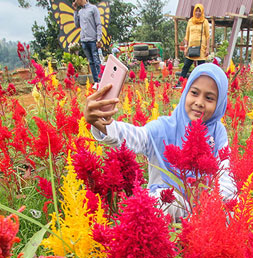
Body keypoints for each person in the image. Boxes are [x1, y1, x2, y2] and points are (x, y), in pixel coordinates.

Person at [83, 63, 235, 220]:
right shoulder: (164, 128)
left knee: (233, 206)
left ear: (219, 104)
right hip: (167, 216)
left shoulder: (217, 132)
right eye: (194, 93)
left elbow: (225, 174)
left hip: (204, 214)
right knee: (166, 202)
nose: (200, 102)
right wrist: (103, 125)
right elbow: (136, 136)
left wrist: (215, 206)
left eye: (209, 98)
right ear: (185, 93)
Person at [180, 4, 211, 81]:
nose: (197, 13)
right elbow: (187, 35)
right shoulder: (190, 21)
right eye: (196, 11)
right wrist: (186, 47)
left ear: (202, 12)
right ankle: (180, 82)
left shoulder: (205, 22)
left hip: (201, 48)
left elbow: (207, 36)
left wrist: (207, 48)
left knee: (201, 68)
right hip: (191, 48)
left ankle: (202, 83)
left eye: (199, 11)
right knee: (186, 66)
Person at [74, 0, 102, 83]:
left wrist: (99, 39)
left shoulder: (93, 8)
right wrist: (75, 11)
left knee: (97, 61)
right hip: (84, 40)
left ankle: (101, 80)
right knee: (91, 62)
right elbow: (76, 25)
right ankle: (96, 81)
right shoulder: (80, 11)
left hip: (93, 40)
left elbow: (98, 24)